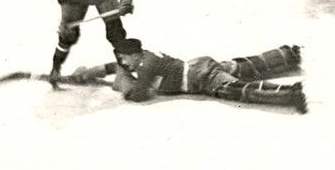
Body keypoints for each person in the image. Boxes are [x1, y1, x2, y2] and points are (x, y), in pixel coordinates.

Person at [70, 38, 308, 114]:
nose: (122, 62)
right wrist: (87, 73)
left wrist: (123, 83)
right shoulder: (144, 59)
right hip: (200, 67)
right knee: (243, 66)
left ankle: (291, 94)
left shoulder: (145, 65)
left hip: (201, 78)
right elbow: (111, 67)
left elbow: (139, 94)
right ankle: (287, 55)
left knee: (236, 89)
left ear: (134, 54)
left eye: (124, 58)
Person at [50, 0, 137, 87]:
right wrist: (65, 23)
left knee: (115, 32)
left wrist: (126, 0)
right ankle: (55, 69)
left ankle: (124, 71)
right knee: (68, 35)